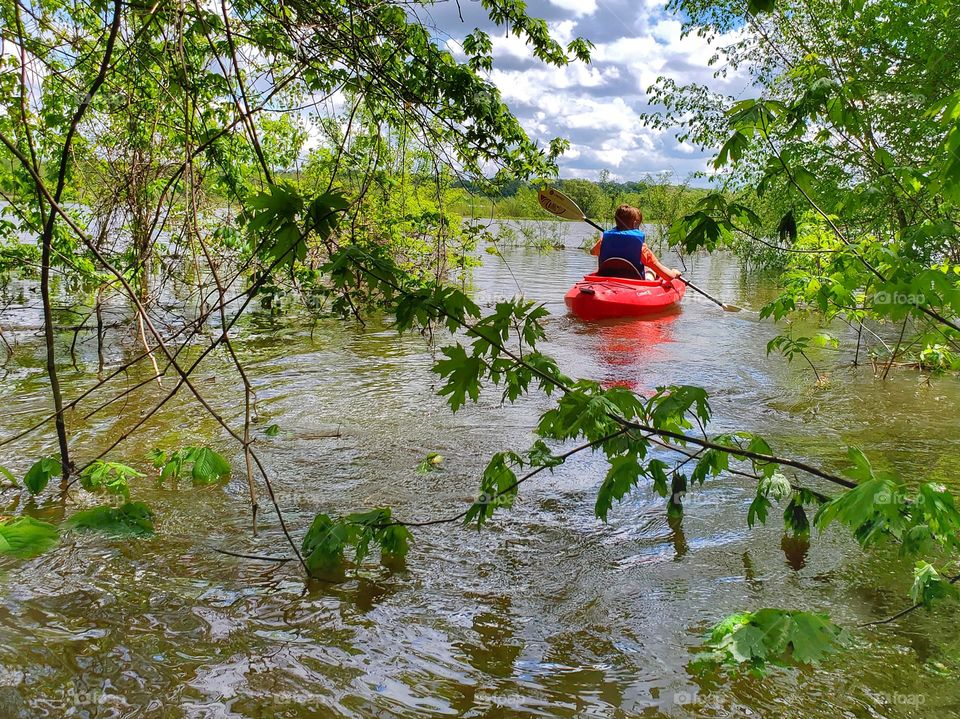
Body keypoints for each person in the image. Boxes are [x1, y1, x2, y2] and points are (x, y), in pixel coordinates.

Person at [590, 204, 682, 281]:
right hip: (634, 284)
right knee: (650, 270)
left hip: (606, 281)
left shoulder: (604, 241)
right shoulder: (641, 248)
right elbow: (668, 277)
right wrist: (674, 273)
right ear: (635, 224)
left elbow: (592, 252)